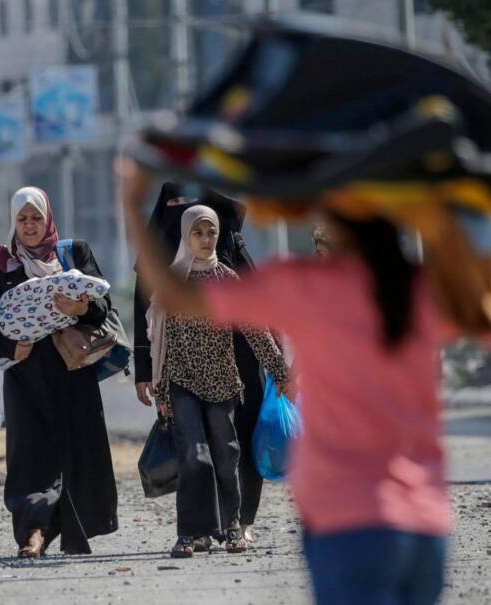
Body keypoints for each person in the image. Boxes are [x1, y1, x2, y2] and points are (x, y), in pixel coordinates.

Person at [122, 161, 484, 603]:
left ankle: (227, 522)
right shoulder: (422, 291)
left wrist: (131, 203)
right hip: (425, 522)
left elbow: (174, 295)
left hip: (343, 519)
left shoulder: (304, 287)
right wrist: (441, 206)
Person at [0, 186, 118, 557]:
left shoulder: (73, 253)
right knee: (30, 451)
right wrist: (9, 348)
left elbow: (103, 307)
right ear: (13, 222)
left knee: (76, 450)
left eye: (37, 218)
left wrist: (79, 309)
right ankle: (32, 532)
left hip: (72, 370)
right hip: (26, 374)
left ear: (48, 218)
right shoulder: (2, 262)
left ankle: (72, 530)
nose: (30, 225)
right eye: (23, 219)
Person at [145, 204, 290, 557]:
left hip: (223, 380)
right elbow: (161, 342)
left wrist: (280, 371)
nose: (206, 239)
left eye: (211, 232)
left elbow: (255, 331)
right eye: (199, 232)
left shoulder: (227, 279)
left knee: (226, 454)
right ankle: (191, 533)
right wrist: (161, 389)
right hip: (182, 380)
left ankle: (232, 527)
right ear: (186, 236)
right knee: (194, 455)